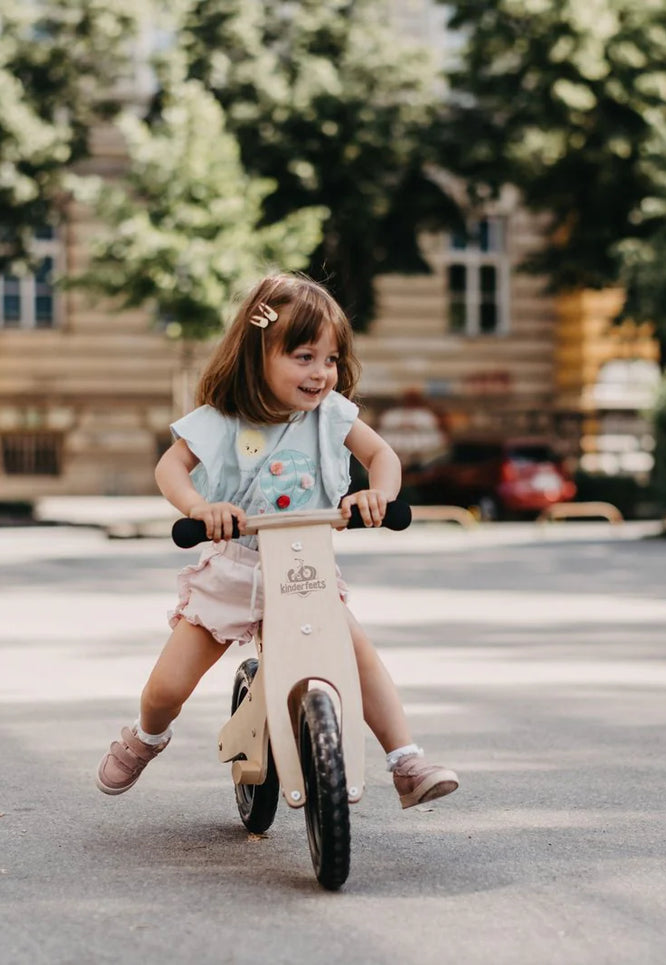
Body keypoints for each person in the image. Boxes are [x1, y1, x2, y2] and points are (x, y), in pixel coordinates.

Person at [96, 273, 459, 809]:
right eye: (304, 356)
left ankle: (405, 760)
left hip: (305, 567)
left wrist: (377, 495)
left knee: (356, 657)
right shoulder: (222, 420)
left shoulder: (332, 416)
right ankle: (146, 736)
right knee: (168, 686)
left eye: (331, 359)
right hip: (234, 569)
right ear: (257, 354)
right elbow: (171, 467)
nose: (321, 373)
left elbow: (382, 456)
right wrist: (200, 508)